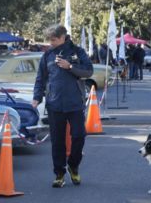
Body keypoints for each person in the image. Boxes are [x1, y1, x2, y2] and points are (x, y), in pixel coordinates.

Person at [32, 24, 93, 188]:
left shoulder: (78, 52)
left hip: (75, 104)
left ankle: (73, 165)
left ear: (63, 37)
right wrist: (36, 98)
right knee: (57, 142)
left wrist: (70, 66)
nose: (50, 42)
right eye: (49, 39)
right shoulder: (47, 55)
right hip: (54, 104)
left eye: (53, 39)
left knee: (79, 136)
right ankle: (59, 174)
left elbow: (88, 72)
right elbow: (40, 79)